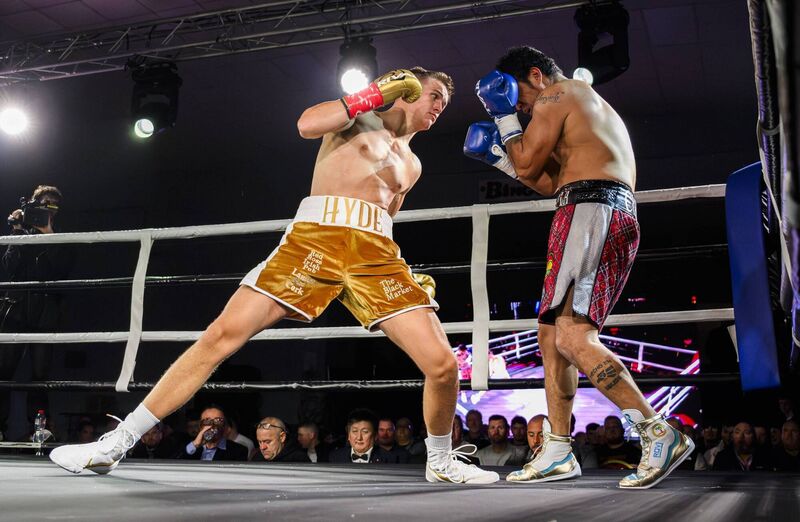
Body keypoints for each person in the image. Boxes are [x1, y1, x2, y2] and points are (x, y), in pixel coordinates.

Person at [50, 67, 497, 485]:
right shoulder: (357, 119)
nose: (440, 106)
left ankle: (440, 461)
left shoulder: (414, 165)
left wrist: (401, 270)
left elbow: (386, 217)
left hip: (375, 253)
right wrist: (375, 93)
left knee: (442, 364)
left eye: (444, 101)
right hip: (315, 239)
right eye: (434, 94)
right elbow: (306, 123)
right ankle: (117, 443)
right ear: (409, 90)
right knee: (221, 337)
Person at [464, 46, 693, 488]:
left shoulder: (560, 92)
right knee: (550, 337)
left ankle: (658, 432)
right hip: (584, 207)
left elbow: (529, 158)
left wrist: (504, 122)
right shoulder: (579, 107)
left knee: (571, 333)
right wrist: (500, 158)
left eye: (521, 101)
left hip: (592, 209)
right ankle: (558, 449)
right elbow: (547, 181)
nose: (525, 110)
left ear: (535, 76)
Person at [0, 185, 71, 440]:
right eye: (43, 202)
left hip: (44, 315)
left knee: (40, 376)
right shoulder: (22, 233)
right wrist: (17, 231)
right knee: (4, 373)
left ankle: (38, 429)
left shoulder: (62, 238)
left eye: (52, 204)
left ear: (57, 211)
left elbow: (61, 270)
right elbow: (8, 268)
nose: (47, 207)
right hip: (16, 311)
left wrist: (48, 235)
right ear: (33, 204)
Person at [178, 406, 248, 462]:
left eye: (218, 421)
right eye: (207, 421)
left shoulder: (238, 451)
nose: (212, 425)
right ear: (200, 426)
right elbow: (175, 464)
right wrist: (195, 445)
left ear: (224, 426)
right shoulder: (187, 446)